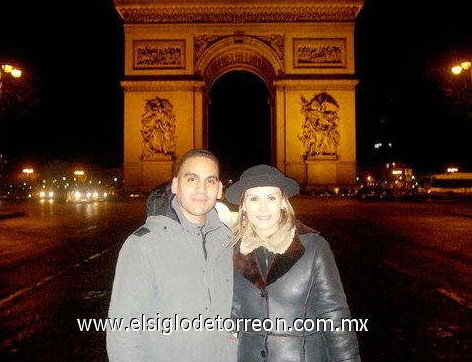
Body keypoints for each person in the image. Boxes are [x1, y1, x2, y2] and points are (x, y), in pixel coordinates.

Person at [107, 149, 236, 361]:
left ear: (220, 189)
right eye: (192, 178)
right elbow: (123, 331)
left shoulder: (229, 245)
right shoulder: (143, 245)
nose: (201, 189)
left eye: (210, 181)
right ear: (175, 185)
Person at [225, 164, 361, 362]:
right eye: (254, 199)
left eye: (271, 198)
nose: (263, 208)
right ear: (243, 205)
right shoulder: (233, 251)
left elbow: (335, 316)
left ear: (282, 202)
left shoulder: (314, 247)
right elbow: (232, 313)